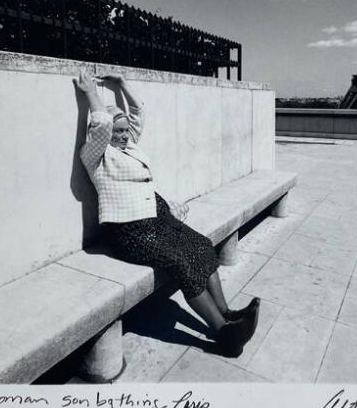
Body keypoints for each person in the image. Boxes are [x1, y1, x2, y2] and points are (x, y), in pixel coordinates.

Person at [74, 70, 259, 357]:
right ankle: (224, 335)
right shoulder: (95, 156)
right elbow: (100, 124)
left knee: (201, 246)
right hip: (128, 232)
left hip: (157, 218)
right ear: (106, 134)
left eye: (124, 130)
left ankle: (227, 313)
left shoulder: (129, 147)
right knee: (180, 263)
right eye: (117, 131)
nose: (123, 135)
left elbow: (138, 114)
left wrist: (122, 83)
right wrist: (92, 94)